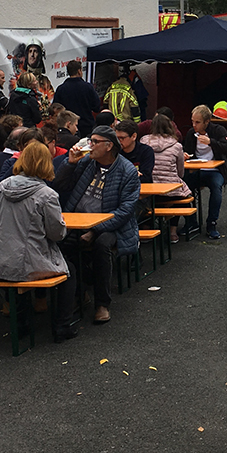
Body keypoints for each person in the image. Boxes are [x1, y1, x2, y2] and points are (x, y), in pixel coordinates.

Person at [0, 141, 77, 340]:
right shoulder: (46, 194)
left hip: (1, 260)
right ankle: (62, 325)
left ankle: (22, 323)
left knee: (17, 270)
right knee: (69, 271)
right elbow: (57, 234)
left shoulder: (1, 188)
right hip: (31, 263)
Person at [54, 125, 141, 324]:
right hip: (78, 221)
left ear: (109, 146)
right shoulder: (86, 163)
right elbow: (60, 186)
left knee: (101, 246)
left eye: (94, 142)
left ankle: (102, 304)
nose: (89, 146)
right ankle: (78, 292)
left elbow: (125, 211)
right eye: (89, 141)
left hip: (112, 225)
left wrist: (94, 229)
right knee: (62, 243)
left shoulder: (127, 171)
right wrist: (70, 164)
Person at [182, 106, 227, 239]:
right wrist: (185, 155)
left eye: (197, 122)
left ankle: (211, 223)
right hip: (196, 169)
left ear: (207, 122)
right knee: (181, 187)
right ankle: (191, 221)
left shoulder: (218, 131)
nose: (194, 125)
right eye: (193, 121)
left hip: (214, 170)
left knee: (216, 187)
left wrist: (211, 142)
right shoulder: (191, 133)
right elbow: (188, 151)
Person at [140, 113, 192, 243]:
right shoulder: (177, 145)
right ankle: (173, 231)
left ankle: (146, 225)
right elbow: (180, 172)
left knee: (146, 201)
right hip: (170, 191)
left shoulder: (143, 141)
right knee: (184, 195)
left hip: (149, 190)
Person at [53, 60, 102, 138]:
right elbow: (96, 107)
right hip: (87, 126)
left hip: (68, 128)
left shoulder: (61, 89)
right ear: (79, 71)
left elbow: (55, 109)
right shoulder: (88, 87)